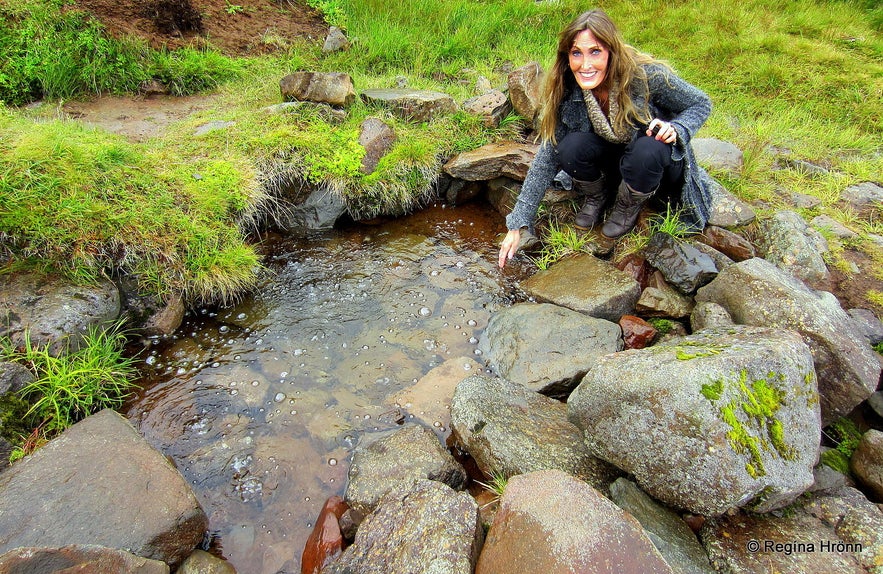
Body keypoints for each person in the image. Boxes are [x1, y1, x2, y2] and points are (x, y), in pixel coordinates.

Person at [498, 9, 717, 269]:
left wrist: (678, 128)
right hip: (617, 160)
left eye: (595, 52)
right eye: (576, 53)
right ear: (567, 56)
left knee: (649, 147)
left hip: (654, 163)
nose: (585, 65)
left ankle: (626, 206)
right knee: (569, 147)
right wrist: (518, 221)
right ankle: (597, 196)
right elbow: (548, 157)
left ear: (611, 51)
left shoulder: (646, 77)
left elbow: (701, 103)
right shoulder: (569, 89)